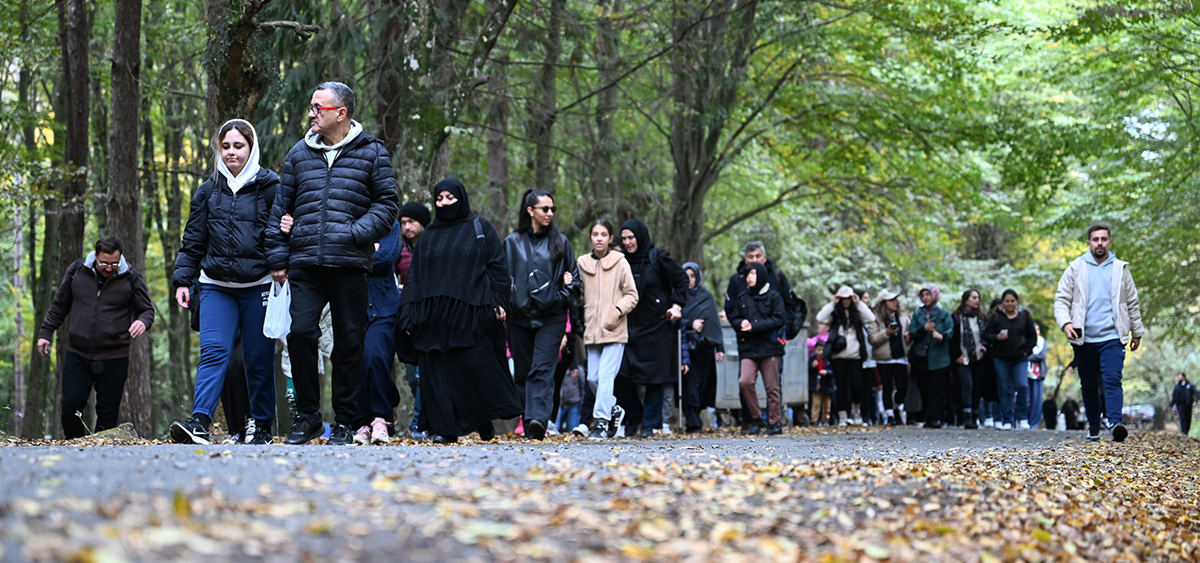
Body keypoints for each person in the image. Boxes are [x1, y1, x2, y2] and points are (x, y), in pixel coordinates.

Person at [266, 81, 400, 445]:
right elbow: (281, 209)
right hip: (306, 263)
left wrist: (356, 232)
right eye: (311, 107)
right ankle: (308, 417)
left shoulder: (372, 152)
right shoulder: (298, 154)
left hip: (350, 265)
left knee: (349, 342)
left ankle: (344, 421)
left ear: (340, 113)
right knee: (301, 332)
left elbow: (387, 204)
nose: (310, 113)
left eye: (317, 108)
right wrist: (278, 257)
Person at [169, 119, 279, 445]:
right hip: (216, 285)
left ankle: (261, 426)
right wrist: (182, 281)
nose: (232, 153)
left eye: (238, 146)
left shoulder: (270, 186)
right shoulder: (207, 190)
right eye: (226, 147)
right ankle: (199, 422)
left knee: (257, 358)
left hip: (258, 285)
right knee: (214, 351)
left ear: (251, 148)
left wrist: (281, 267)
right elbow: (193, 242)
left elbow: (280, 234)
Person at [397, 178, 523, 443]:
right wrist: (409, 315)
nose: (444, 203)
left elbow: (498, 267)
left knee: (474, 370)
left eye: (449, 198)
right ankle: (446, 429)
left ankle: (482, 418)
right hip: (434, 319)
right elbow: (416, 277)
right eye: (439, 199)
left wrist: (500, 302)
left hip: (473, 315)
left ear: (461, 198)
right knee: (439, 374)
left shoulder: (480, 228)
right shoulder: (429, 235)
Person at [36, 235, 155, 439]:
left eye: (114, 263)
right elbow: (60, 304)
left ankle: (100, 455)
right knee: (70, 405)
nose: (109, 268)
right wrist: (46, 332)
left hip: (114, 357)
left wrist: (142, 322)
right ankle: (76, 446)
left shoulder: (131, 278)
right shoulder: (77, 271)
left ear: (120, 258)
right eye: (104, 263)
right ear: (95, 256)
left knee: (107, 414)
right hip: (78, 354)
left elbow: (146, 310)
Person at [1053, 224, 1144, 442]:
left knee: (1112, 379)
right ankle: (1094, 424)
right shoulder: (1076, 267)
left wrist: (1137, 331)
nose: (1100, 243)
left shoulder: (1120, 269)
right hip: (1083, 337)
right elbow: (1061, 299)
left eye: (1104, 239)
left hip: (1113, 336)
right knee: (1089, 384)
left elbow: (1132, 302)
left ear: (1110, 243)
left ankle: (1114, 423)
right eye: (1095, 239)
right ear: (1089, 243)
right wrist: (1066, 323)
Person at [504, 189, 580, 440]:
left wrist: (560, 297)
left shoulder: (561, 242)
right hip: (519, 317)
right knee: (524, 370)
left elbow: (574, 281)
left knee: (542, 368)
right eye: (544, 208)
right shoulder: (512, 243)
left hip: (552, 317)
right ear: (530, 211)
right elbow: (501, 278)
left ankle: (538, 420)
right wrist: (505, 304)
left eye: (552, 209)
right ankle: (527, 420)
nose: (549, 213)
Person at [615, 219, 689, 438]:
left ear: (641, 236)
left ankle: (650, 423)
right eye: (625, 238)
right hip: (630, 326)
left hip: (658, 326)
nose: (628, 242)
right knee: (622, 374)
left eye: (632, 238)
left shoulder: (658, 258)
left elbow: (682, 280)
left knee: (655, 378)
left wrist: (676, 305)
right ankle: (635, 415)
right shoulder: (620, 262)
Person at [577, 219, 638, 440]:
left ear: (611, 238)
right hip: (592, 330)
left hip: (614, 329)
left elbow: (632, 294)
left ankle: (601, 423)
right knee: (592, 378)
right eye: (595, 234)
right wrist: (570, 286)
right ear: (591, 238)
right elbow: (580, 296)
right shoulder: (583, 263)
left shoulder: (620, 263)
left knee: (605, 376)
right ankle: (614, 409)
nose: (599, 238)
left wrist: (616, 310)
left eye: (604, 234)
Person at [351, 221, 403, 445]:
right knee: (355, 363)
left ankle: (380, 418)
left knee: (375, 356)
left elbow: (385, 257)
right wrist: (370, 250)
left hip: (384, 307)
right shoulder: (345, 218)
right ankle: (361, 423)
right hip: (352, 307)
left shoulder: (390, 224)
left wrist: (354, 255)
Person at [725, 262, 787, 435]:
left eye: (753, 273)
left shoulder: (774, 297)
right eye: (747, 275)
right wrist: (740, 323)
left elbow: (779, 319)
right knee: (745, 381)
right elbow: (734, 316)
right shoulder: (742, 298)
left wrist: (755, 326)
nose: (749, 277)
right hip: (749, 348)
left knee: (772, 387)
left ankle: (774, 423)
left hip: (770, 348)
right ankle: (757, 418)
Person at [395, 201, 431, 439]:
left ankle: (419, 425)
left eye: (411, 222)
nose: (407, 227)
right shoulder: (400, 251)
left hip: (432, 317)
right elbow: (391, 277)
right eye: (404, 223)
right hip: (408, 319)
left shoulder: (435, 246)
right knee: (412, 377)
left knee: (424, 374)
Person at [816, 286, 876, 426]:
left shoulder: (857, 312)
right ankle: (842, 416)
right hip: (838, 355)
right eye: (844, 299)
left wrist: (858, 303)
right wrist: (832, 303)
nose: (846, 301)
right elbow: (820, 317)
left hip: (855, 355)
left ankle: (855, 411)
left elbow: (871, 318)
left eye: (848, 298)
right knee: (841, 386)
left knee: (857, 385)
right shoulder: (835, 313)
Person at [982, 289, 1037, 431]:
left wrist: (1027, 350)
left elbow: (1032, 336)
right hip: (1001, 358)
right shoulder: (996, 317)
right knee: (1005, 388)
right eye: (1007, 301)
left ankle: (1022, 418)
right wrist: (996, 337)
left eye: (1012, 301)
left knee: (1022, 386)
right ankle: (1007, 419)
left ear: (1016, 302)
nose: (1010, 304)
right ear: (1003, 302)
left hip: (1020, 358)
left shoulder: (1024, 316)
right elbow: (986, 335)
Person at [681, 262, 724, 433]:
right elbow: (672, 319)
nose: (689, 280)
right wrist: (690, 323)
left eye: (692, 276)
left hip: (705, 347)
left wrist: (720, 347)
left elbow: (714, 322)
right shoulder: (678, 296)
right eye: (686, 276)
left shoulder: (707, 297)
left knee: (703, 385)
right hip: (685, 348)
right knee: (688, 385)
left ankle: (697, 416)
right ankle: (692, 423)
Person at [908, 285, 953, 428]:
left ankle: (936, 417)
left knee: (937, 389)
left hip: (939, 357)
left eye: (928, 294)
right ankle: (927, 416)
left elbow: (950, 331)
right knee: (924, 388)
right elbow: (912, 332)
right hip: (921, 357)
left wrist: (941, 336)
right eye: (923, 295)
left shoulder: (944, 314)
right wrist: (923, 329)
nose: (925, 298)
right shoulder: (918, 314)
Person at [868, 289, 910, 425]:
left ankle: (897, 407)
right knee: (886, 387)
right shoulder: (875, 318)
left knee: (902, 387)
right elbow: (872, 339)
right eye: (891, 300)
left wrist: (908, 337)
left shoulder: (903, 316)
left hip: (901, 357)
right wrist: (886, 333)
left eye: (895, 300)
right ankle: (890, 414)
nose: (895, 303)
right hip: (883, 358)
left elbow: (910, 331)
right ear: (884, 303)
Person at [949, 289, 987, 430]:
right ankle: (966, 415)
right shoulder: (956, 317)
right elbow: (952, 339)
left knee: (977, 386)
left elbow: (986, 336)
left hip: (979, 357)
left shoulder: (982, 317)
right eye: (973, 297)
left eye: (978, 297)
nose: (977, 300)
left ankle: (975, 414)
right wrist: (957, 355)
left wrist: (985, 346)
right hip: (962, 358)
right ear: (966, 300)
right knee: (967, 384)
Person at [1027, 323, 1048, 428]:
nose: (1036, 331)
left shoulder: (1042, 342)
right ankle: (1023, 421)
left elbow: (1041, 355)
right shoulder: (1025, 339)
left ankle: (1034, 423)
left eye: (1038, 329)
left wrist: (1028, 356)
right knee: (1025, 398)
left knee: (1036, 400)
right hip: (1026, 373)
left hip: (1038, 374)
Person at [809, 342, 834, 425]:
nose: (821, 352)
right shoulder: (812, 360)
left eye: (822, 350)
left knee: (826, 405)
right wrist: (812, 367)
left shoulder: (828, 360)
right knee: (815, 404)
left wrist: (827, 372)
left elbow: (833, 372)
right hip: (816, 386)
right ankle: (814, 420)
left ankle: (826, 419)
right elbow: (808, 371)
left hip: (826, 386)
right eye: (818, 350)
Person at [557, 365, 584, 433]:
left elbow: (583, 386)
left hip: (574, 404)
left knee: (573, 429)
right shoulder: (559, 368)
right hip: (561, 404)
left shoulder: (579, 370)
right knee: (556, 428)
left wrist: (581, 403)